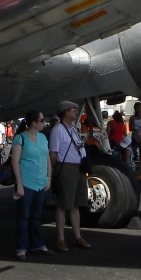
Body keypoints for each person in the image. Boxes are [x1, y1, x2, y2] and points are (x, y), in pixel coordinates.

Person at [11, 110, 53, 260]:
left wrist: (49, 177)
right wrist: (19, 184)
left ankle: (38, 244)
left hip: (40, 182)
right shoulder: (20, 138)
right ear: (34, 123)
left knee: (35, 215)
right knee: (24, 216)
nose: (44, 123)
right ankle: (21, 247)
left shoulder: (42, 138)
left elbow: (47, 158)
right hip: (26, 182)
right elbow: (15, 161)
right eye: (42, 120)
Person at [49, 101, 90, 251]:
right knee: (63, 205)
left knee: (75, 205)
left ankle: (77, 237)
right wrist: (53, 173)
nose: (76, 112)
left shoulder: (72, 128)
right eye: (74, 110)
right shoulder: (58, 130)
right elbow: (53, 154)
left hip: (77, 169)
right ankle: (61, 239)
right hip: (66, 168)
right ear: (66, 112)